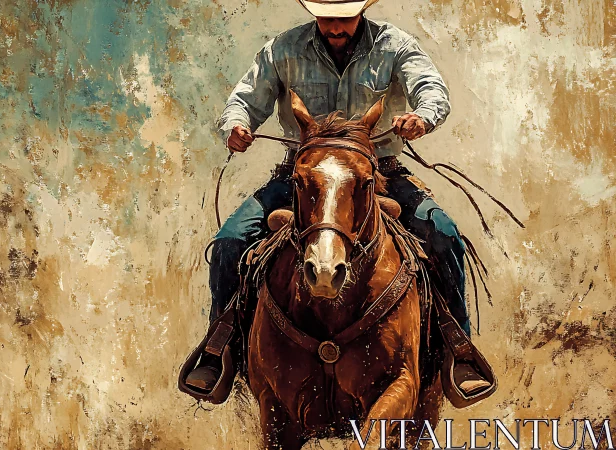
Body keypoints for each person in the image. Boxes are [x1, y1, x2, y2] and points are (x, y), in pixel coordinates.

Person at [185, 0, 486, 394]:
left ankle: (456, 348)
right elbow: (244, 98)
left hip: (377, 172)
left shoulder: (394, 45)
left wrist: (422, 117)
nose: (335, 26)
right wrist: (237, 125)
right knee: (229, 242)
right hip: (306, 174)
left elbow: (431, 88)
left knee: (444, 235)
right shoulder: (283, 49)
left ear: (361, 12)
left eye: (344, 17)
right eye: (326, 17)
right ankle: (220, 348)